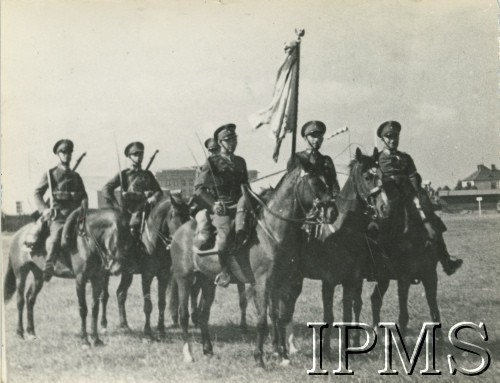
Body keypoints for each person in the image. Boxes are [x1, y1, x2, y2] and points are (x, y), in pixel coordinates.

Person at [375, 120, 462, 275]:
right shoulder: (378, 159)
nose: (393, 140)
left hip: (408, 198)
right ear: (383, 139)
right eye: (389, 137)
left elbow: (413, 176)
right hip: (389, 199)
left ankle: (446, 260)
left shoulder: (406, 158)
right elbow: (377, 180)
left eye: (396, 136)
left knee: (432, 223)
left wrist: (414, 193)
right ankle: (376, 266)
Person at [193, 123, 249, 287]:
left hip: (241, 205)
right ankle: (224, 271)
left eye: (234, 139)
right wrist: (213, 204)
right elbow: (198, 189)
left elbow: (245, 185)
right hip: (222, 209)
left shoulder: (240, 162)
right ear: (220, 143)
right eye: (229, 140)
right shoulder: (212, 162)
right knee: (223, 239)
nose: (233, 143)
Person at [33, 139, 88, 281]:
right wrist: (44, 210)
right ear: (58, 155)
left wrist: (83, 210)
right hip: (58, 217)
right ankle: (49, 265)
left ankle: (89, 267)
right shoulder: (50, 174)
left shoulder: (76, 177)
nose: (67, 155)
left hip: (76, 217)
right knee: (57, 236)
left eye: (69, 152)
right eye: (63, 152)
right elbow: (37, 193)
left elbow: (84, 197)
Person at [102, 142, 163, 238]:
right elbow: (106, 189)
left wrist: (154, 197)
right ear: (129, 156)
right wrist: (116, 206)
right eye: (135, 154)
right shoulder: (124, 175)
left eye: (141, 154)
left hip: (147, 211)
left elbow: (159, 191)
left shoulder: (148, 174)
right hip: (129, 214)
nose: (139, 156)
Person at [415, 173, 463, 275]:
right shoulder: (420, 192)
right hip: (423, 220)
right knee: (438, 239)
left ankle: (447, 263)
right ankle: (447, 264)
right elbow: (426, 208)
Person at [287, 120, 340, 198]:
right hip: (304, 202)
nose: (317, 139)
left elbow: (334, 184)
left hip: (325, 202)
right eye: (313, 136)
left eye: (319, 136)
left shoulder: (326, 160)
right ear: (305, 138)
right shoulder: (297, 158)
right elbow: (291, 184)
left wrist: (335, 197)